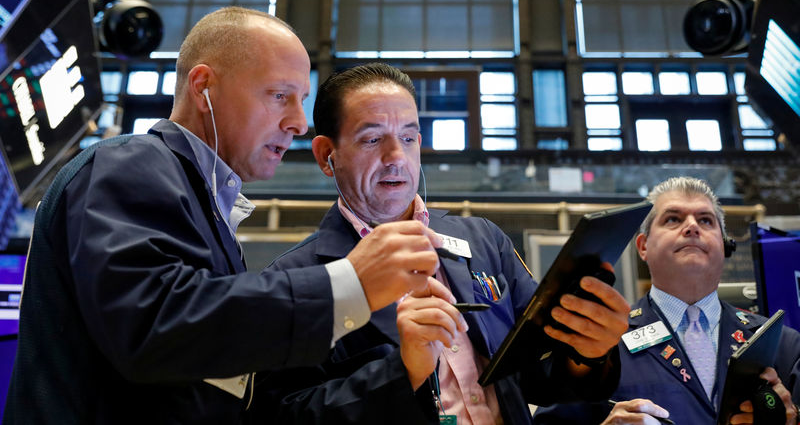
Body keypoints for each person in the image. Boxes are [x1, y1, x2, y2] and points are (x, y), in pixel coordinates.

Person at [4, 8, 442, 424]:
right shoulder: (128, 164)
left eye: (301, 99)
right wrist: (349, 284)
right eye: (279, 96)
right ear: (203, 87)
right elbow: (153, 325)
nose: (298, 122)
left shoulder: (205, 205)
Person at [260, 62, 631, 424]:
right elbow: (284, 413)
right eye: (372, 139)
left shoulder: (485, 240)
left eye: (407, 138)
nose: (396, 158)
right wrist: (403, 371)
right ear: (327, 155)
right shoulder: (296, 279)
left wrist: (587, 351)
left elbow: (537, 377)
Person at [533, 176, 800, 425]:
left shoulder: (783, 345)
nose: (692, 227)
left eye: (706, 220)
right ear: (643, 246)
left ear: (724, 243)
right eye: (673, 219)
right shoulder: (595, 342)